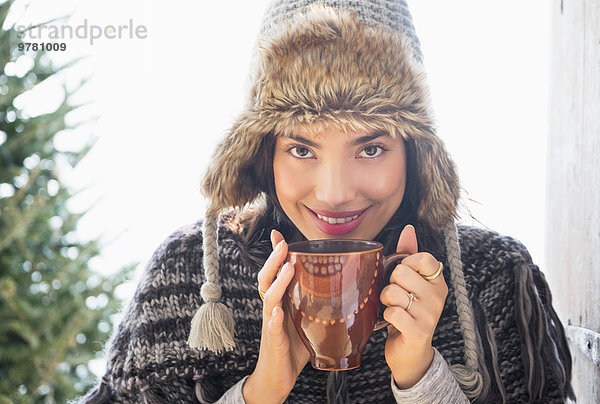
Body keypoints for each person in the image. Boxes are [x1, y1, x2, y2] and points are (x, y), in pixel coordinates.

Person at [82, 1, 575, 403]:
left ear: (416, 153)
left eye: (371, 148)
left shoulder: (492, 275)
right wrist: (260, 392)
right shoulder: (188, 275)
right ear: (261, 153)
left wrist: (422, 377)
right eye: (302, 149)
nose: (335, 192)